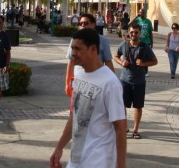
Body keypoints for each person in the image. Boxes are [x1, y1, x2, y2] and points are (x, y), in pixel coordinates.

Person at [50, 28, 126, 168]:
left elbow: (120, 128)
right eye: (72, 48)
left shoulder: (110, 83)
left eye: (78, 49)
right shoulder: (79, 75)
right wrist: (59, 147)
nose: (73, 53)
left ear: (93, 49)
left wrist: (120, 165)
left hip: (99, 160)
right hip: (77, 159)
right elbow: (75, 116)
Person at [114, 23, 158, 139]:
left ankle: (135, 130)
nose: (134, 34)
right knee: (122, 105)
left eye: (136, 32)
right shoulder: (123, 45)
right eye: (132, 32)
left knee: (138, 106)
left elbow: (155, 61)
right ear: (129, 32)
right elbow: (116, 56)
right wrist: (122, 62)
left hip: (139, 82)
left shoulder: (144, 47)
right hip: (124, 80)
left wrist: (143, 64)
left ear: (140, 33)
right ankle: (125, 127)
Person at [65, 13, 115, 98]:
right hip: (79, 80)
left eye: (86, 23)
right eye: (81, 24)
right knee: (76, 108)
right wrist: (67, 83)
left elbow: (108, 62)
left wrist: (112, 81)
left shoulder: (103, 40)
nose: (83, 25)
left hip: (97, 81)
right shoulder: (74, 40)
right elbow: (71, 62)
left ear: (93, 25)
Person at [130, 8, 153, 75]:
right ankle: (137, 70)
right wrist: (136, 17)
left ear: (145, 13)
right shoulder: (137, 20)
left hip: (146, 42)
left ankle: (145, 71)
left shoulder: (148, 21)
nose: (141, 13)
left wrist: (152, 42)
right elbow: (129, 24)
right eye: (140, 12)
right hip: (138, 41)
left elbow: (150, 32)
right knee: (137, 56)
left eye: (142, 12)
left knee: (145, 57)